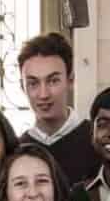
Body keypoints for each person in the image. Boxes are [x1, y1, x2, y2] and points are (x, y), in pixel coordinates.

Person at [19, 32, 97, 185]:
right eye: (33, 83)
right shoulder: (17, 150)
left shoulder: (97, 140)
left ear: (71, 80)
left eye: (53, 81)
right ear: (22, 86)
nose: (43, 94)